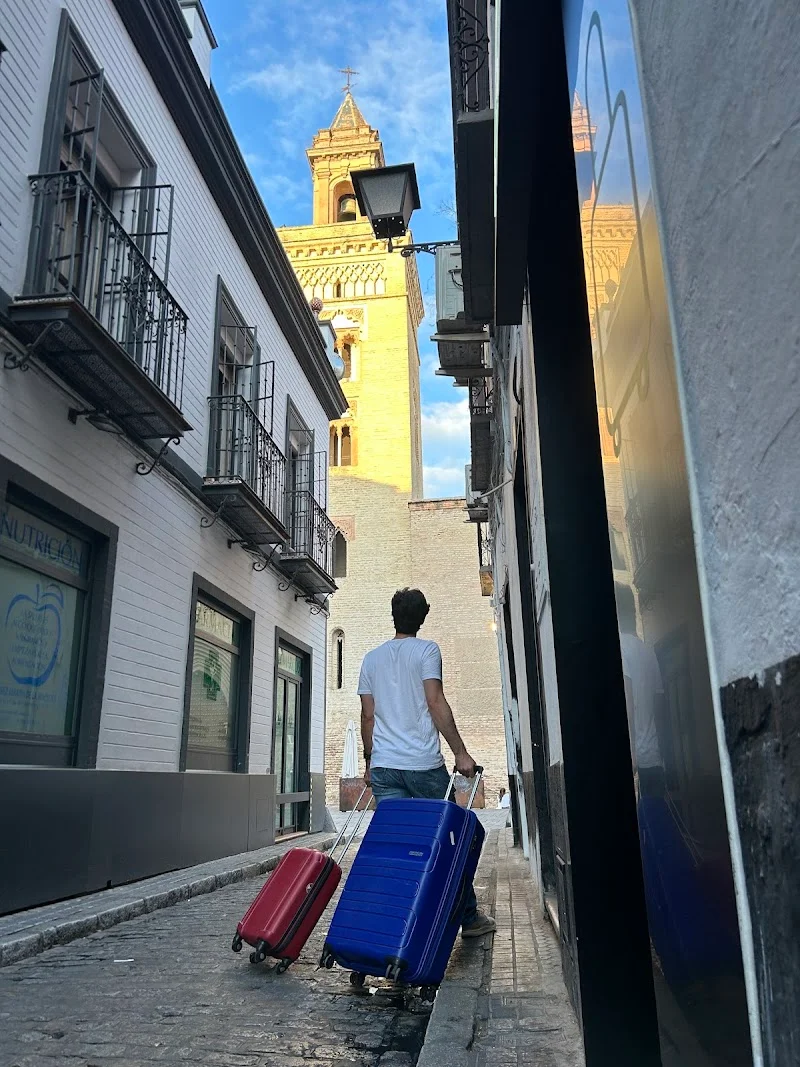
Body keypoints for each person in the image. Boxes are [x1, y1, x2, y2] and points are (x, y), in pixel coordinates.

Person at [359, 587, 496, 939]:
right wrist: (460, 752)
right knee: (449, 842)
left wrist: (370, 762)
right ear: (422, 617)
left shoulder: (371, 659)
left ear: (394, 616)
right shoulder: (426, 651)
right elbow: (435, 702)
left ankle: (400, 922)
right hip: (422, 765)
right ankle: (468, 918)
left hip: (385, 768)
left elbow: (368, 716)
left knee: (398, 846)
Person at [615, 582, 666, 798]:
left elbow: (627, 699)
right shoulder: (648, 651)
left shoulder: (620, 647)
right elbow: (659, 704)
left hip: (634, 756)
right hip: (653, 754)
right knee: (654, 810)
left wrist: (632, 752)